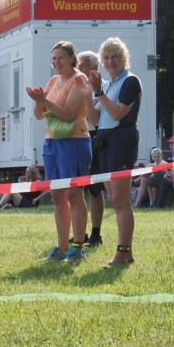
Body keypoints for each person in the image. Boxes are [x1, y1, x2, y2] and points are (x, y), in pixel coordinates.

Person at [26, 41, 93, 262]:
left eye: (60, 58)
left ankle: (78, 246)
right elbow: (39, 114)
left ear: (72, 59)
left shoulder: (79, 81)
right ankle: (62, 247)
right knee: (57, 196)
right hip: (52, 143)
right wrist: (39, 101)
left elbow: (67, 115)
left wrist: (44, 101)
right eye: (53, 58)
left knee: (75, 194)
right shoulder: (53, 81)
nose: (56, 62)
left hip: (74, 143)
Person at [88, 37, 142, 267]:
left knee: (120, 201)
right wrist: (87, 95)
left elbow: (119, 113)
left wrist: (99, 93)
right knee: (114, 199)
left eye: (115, 57)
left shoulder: (130, 81)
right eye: (106, 58)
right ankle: (124, 253)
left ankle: (123, 253)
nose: (111, 62)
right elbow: (96, 120)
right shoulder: (108, 85)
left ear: (124, 58)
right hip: (106, 141)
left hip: (122, 140)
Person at [77, 50, 105, 248]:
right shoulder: (75, 87)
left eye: (82, 66)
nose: (78, 69)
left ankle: (96, 234)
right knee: (78, 190)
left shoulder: (101, 89)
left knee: (95, 190)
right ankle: (80, 233)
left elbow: (94, 117)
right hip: (77, 141)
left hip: (95, 140)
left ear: (94, 69)